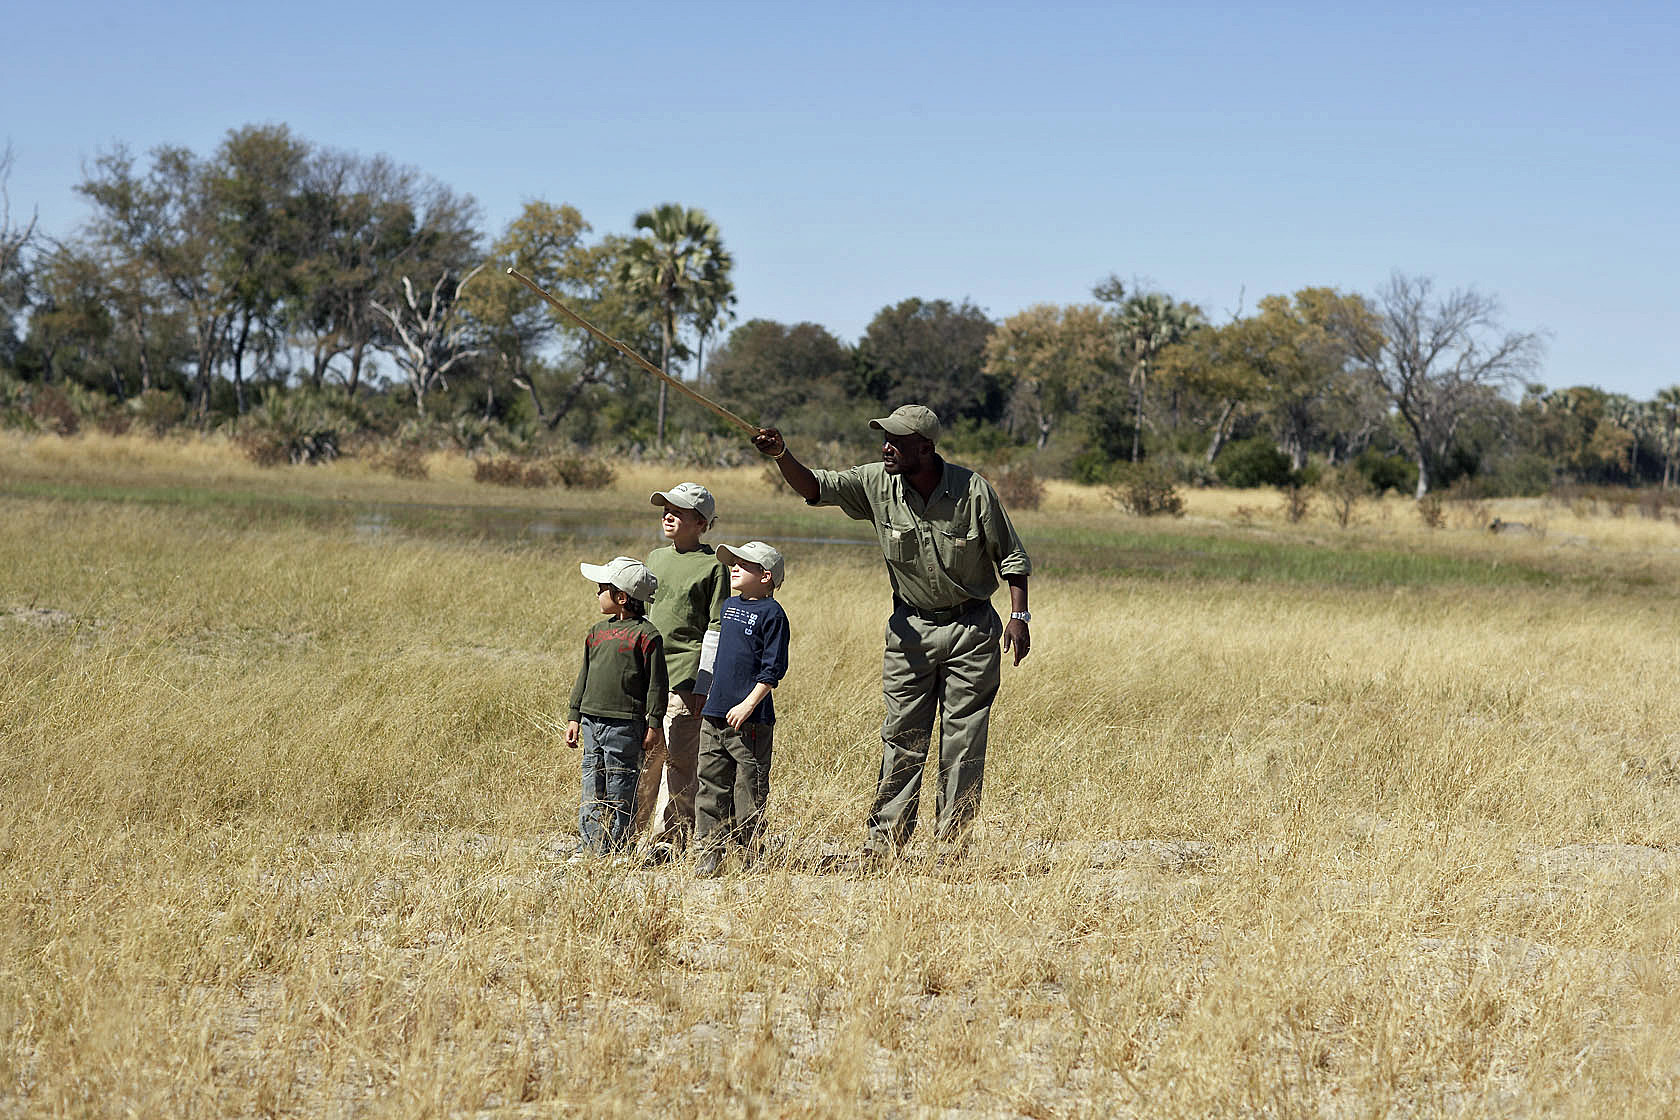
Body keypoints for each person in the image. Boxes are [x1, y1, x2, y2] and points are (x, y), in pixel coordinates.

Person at [752, 404, 1031, 862]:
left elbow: (1013, 558)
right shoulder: (876, 481)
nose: (886, 448)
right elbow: (816, 486)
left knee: (963, 741)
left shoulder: (972, 490)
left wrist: (1020, 617)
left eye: (897, 442)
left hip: (972, 629)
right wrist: (782, 454)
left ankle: (952, 850)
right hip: (909, 631)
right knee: (902, 734)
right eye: (884, 438)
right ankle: (884, 846)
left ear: (925, 448)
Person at [636, 482, 727, 866]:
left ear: (701, 523)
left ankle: (669, 841)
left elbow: (716, 628)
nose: (668, 515)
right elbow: (641, 618)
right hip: (648, 677)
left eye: (679, 511)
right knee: (646, 756)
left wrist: (703, 684)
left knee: (680, 760)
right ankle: (632, 835)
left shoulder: (713, 567)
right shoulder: (655, 558)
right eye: (665, 509)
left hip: (686, 677)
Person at [693, 541, 791, 879]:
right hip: (715, 711)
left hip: (749, 720)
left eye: (742, 563)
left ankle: (747, 855)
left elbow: (773, 669)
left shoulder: (773, 614)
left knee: (748, 787)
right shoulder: (729, 605)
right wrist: (706, 696)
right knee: (710, 783)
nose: (733, 566)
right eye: (732, 561)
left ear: (765, 576)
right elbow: (719, 657)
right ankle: (709, 853)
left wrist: (748, 704)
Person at [565, 556, 667, 859]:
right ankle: (591, 847)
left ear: (622, 597)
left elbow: (657, 684)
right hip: (591, 722)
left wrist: (654, 723)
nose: (597, 594)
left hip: (625, 725)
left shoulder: (647, 635)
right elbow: (584, 674)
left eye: (602, 589)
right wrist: (574, 716)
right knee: (591, 784)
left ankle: (619, 848)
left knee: (620, 784)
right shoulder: (596, 632)